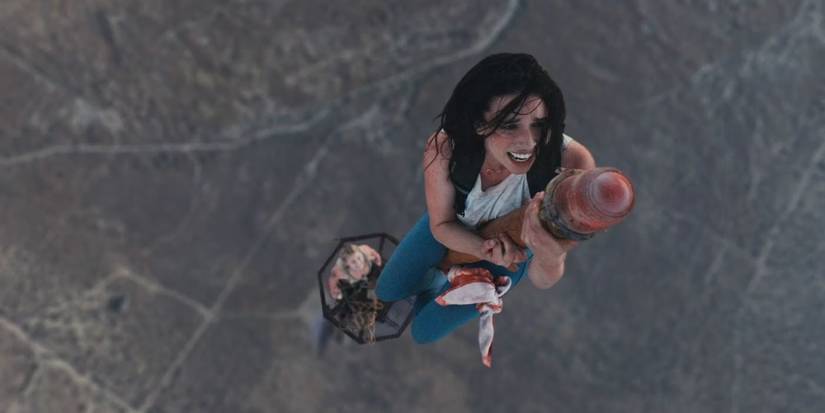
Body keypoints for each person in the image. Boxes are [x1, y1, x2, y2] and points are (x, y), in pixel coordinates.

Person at [375, 52, 596, 344]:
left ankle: (438, 285)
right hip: (454, 224)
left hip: (509, 257)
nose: (528, 142)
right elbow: (441, 223)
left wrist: (549, 254)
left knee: (423, 331)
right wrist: (480, 247)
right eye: (509, 125)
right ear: (479, 124)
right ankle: (436, 280)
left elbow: (544, 278)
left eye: (539, 125)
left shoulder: (571, 165)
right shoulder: (447, 148)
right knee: (386, 290)